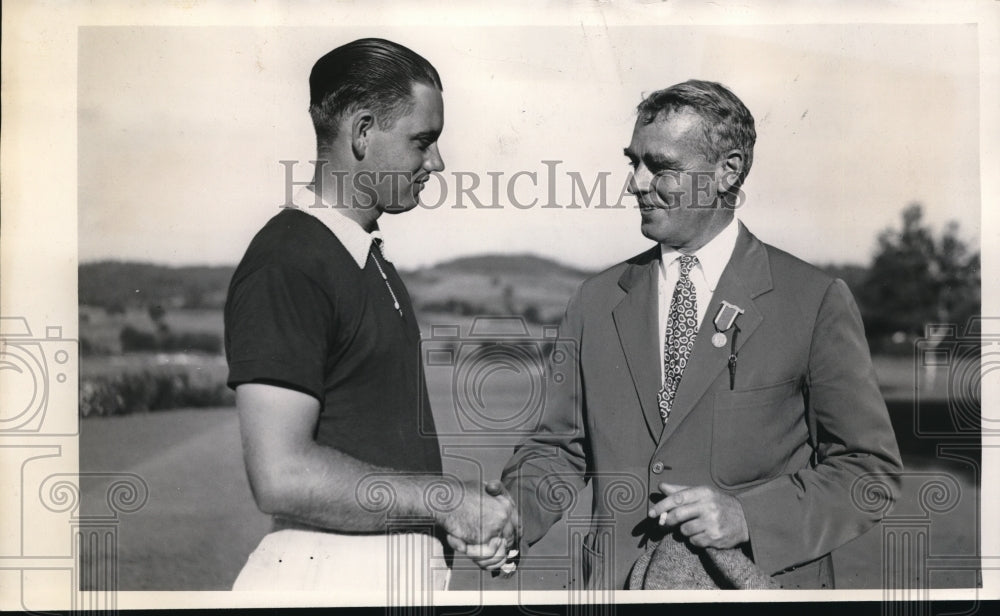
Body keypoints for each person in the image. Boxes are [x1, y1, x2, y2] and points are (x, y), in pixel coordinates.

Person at [485, 80, 903, 589]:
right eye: (632, 162)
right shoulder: (594, 301)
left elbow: (868, 472)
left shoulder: (813, 301)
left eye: (660, 167)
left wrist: (750, 516)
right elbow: (558, 449)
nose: (635, 183)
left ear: (727, 171)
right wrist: (510, 517)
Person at [224, 38, 517, 594]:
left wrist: (453, 515)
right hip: (329, 580)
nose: (437, 162)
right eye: (422, 141)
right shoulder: (289, 259)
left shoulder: (361, 255)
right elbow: (280, 475)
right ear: (362, 132)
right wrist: (448, 500)